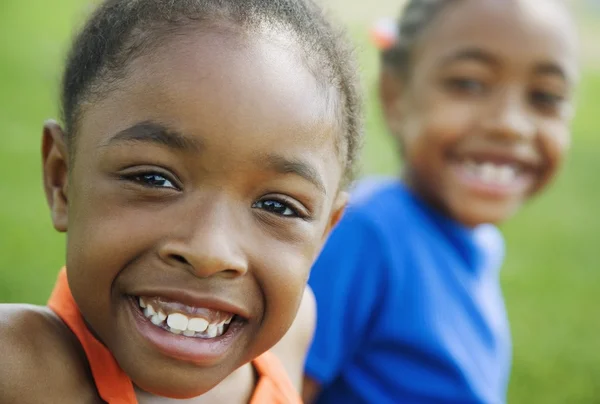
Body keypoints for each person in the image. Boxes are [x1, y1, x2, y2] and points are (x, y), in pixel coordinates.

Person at [0, 0, 363, 402]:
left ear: (323, 235)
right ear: (61, 179)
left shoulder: (289, 335)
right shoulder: (19, 370)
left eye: (278, 206)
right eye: (154, 179)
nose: (209, 252)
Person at [303, 0, 579, 403]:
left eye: (545, 97)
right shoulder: (367, 234)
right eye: (469, 83)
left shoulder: (478, 242)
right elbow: (282, 386)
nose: (509, 123)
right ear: (395, 95)